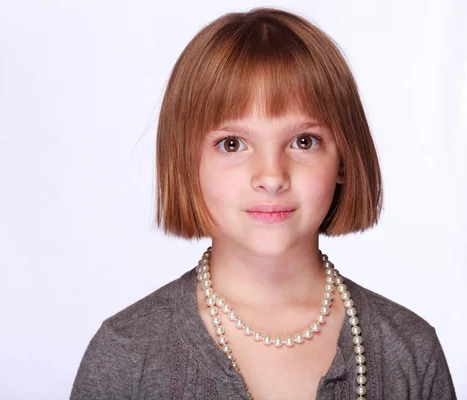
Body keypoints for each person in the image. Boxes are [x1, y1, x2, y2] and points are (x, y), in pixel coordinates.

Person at [70, 7, 456, 400]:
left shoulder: (411, 352)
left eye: (303, 141)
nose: (271, 177)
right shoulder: (129, 355)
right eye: (232, 144)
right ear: (186, 163)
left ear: (344, 159)